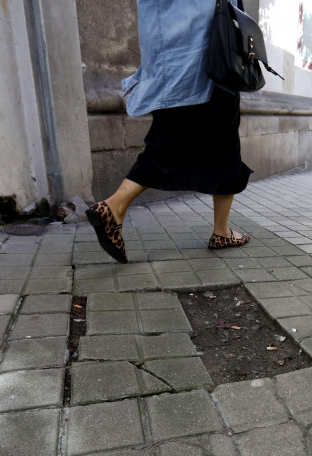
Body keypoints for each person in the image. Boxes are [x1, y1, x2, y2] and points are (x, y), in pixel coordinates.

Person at [86, 0, 253, 263]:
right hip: (208, 56)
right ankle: (114, 206)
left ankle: (221, 231)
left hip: (170, 59)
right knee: (212, 143)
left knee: (189, 144)